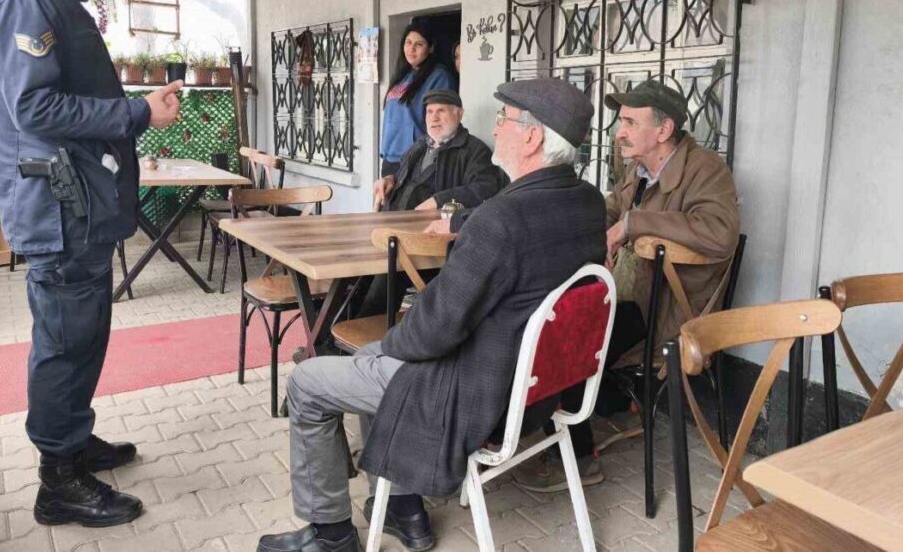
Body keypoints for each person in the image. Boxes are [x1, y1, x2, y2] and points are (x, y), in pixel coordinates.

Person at [256, 78, 605, 552]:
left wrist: (382, 350)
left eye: (504, 120)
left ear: (532, 137)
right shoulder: (588, 203)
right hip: (539, 392)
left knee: (312, 381)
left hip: (474, 395)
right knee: (371, 357)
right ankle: (402, 506)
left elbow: (433, 332)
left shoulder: (501, 219)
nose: (496, 128)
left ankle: (330, 532)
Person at [0, 0, 183, 527]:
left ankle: (71, 441)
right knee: (65, 342)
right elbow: (35, 108)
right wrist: (137, 113)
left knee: (82, 333)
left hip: (77, 204)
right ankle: (57, 481)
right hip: (58, 210)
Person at [514, 79, 741, 493]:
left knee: (567, 335)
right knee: (541, 313)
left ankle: (580, 458)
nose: (618, 131)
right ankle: (611, 406)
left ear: (664, 129)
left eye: (629, 122)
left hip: (670, 307)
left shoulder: (706, 169)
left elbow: (720, 233)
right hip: (630, 294)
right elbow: (611, 211)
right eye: (621, 121)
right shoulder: (639, 171)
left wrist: (633, 225)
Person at [360, 88, 505, 319]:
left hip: (425, 242)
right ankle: (332, 333)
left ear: (459, 114)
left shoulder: (474, 150)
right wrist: (389, 180)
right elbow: (405, 176)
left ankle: (363, 338)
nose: (434, 118)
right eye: (429, 112)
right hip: (393, 229)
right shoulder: (420, 145)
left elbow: (486, 188)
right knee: (357, 269)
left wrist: (439, 199)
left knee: (383, 272)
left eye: (441, 111)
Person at [379, 22, 456, 177]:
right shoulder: (402, 75)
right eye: (408, 43)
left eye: (419, 44)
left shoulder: (439, 76)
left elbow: (442, 122)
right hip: (390, 159)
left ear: (430, 48)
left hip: (416, 162)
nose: (411, 49)